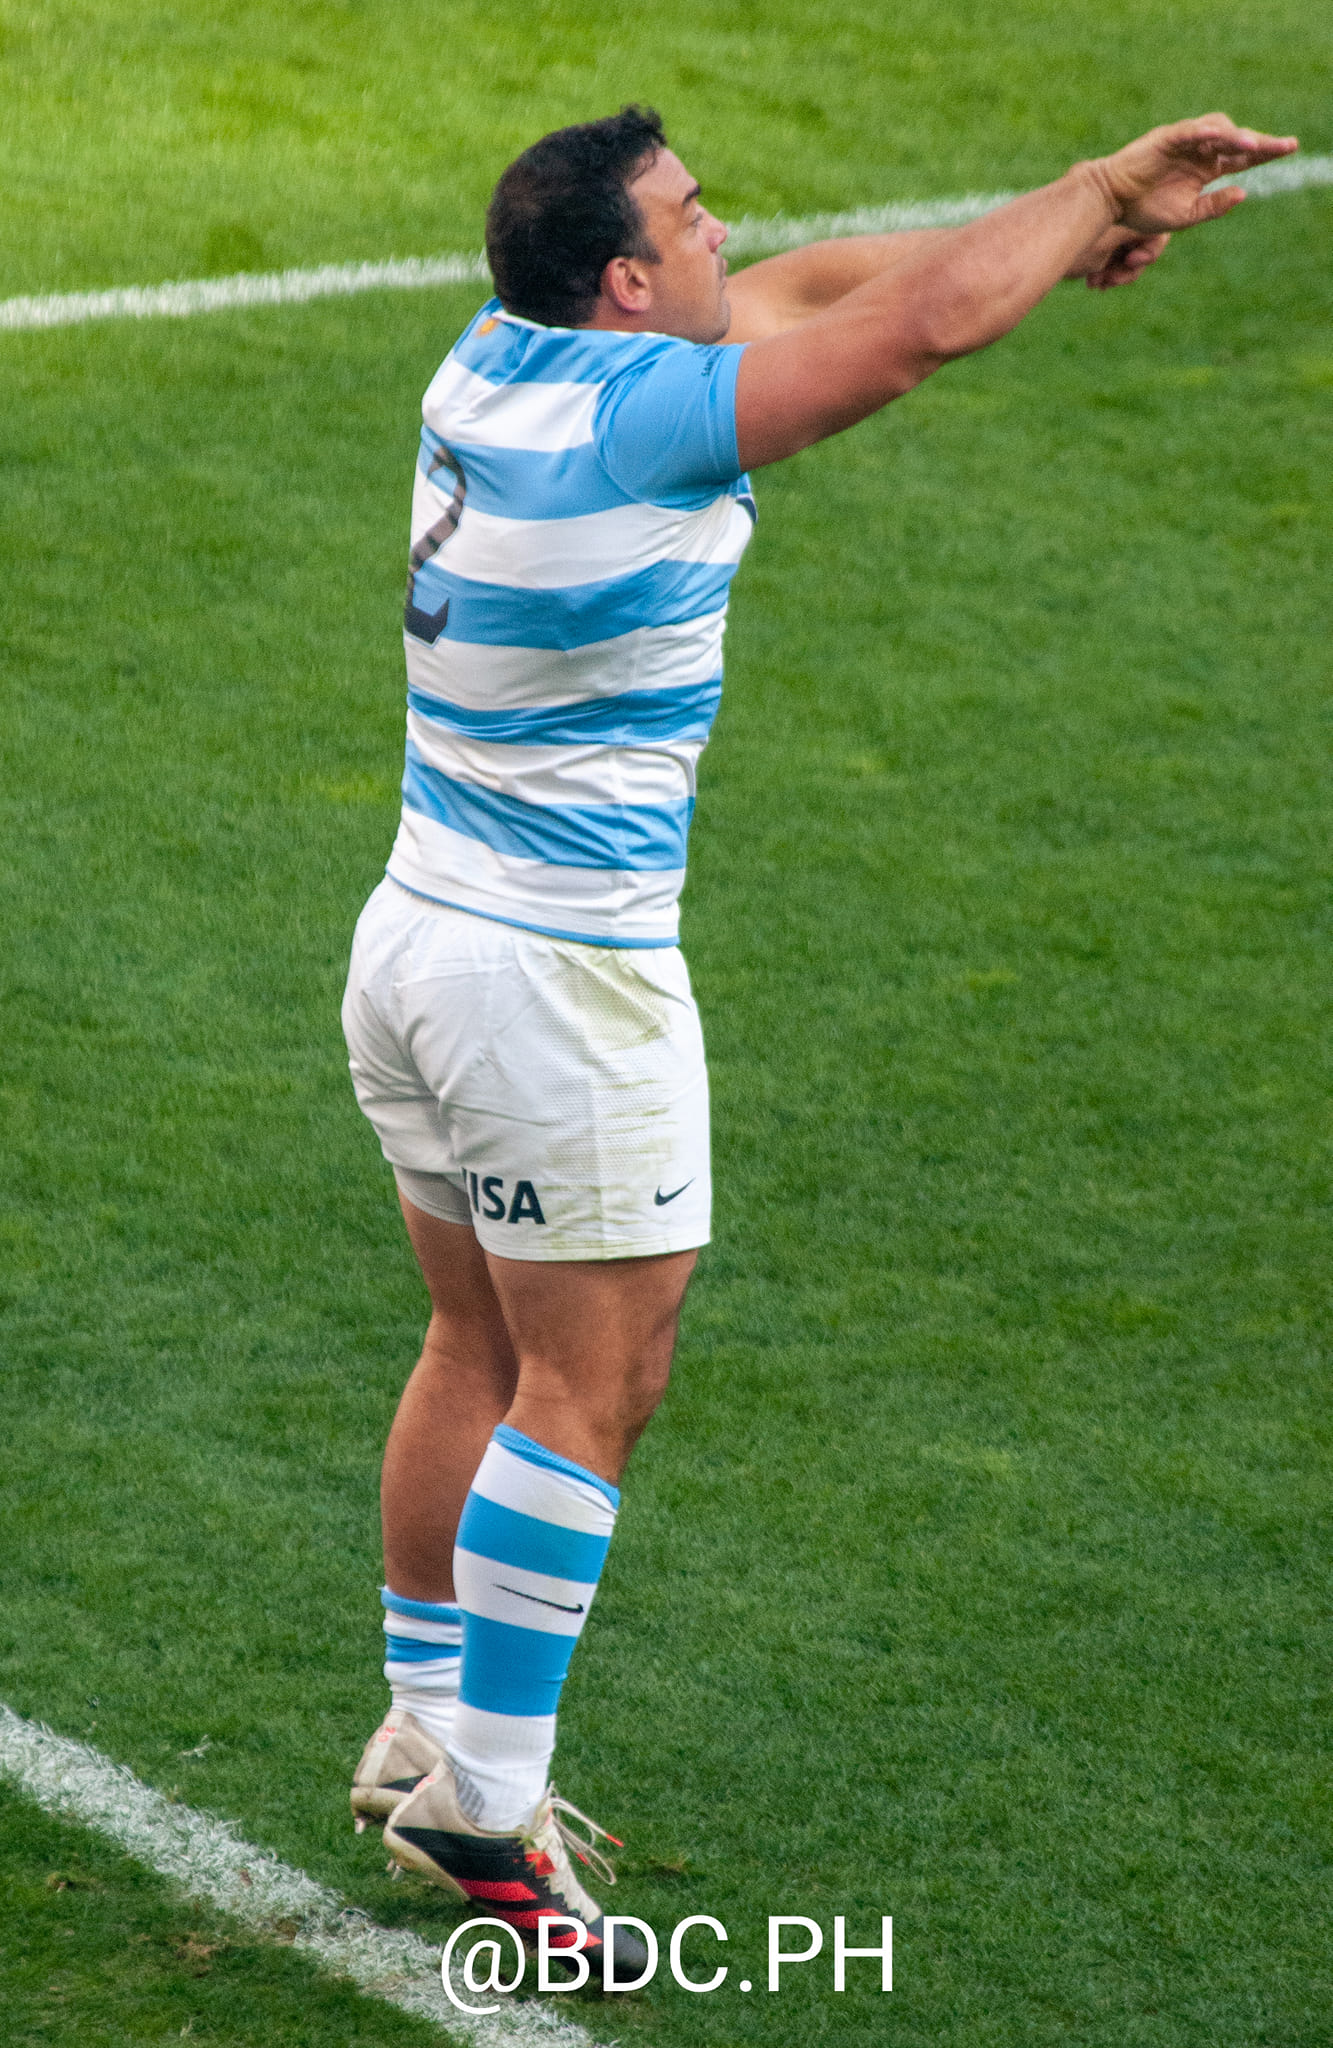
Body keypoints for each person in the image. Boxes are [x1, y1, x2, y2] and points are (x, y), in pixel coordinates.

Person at [341, 104, 1295, 1971]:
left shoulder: (502, 359)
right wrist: (1098, 189)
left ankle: (424, 1724)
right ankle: (485, 1803)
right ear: (627, 284)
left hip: (416, 938)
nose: (726, 233)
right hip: (561, 979)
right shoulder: (644, 426)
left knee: (477, 1339)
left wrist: (1053, 241)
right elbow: (908, 329)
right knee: (595, 1383)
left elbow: (809, 291)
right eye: (691, 217)